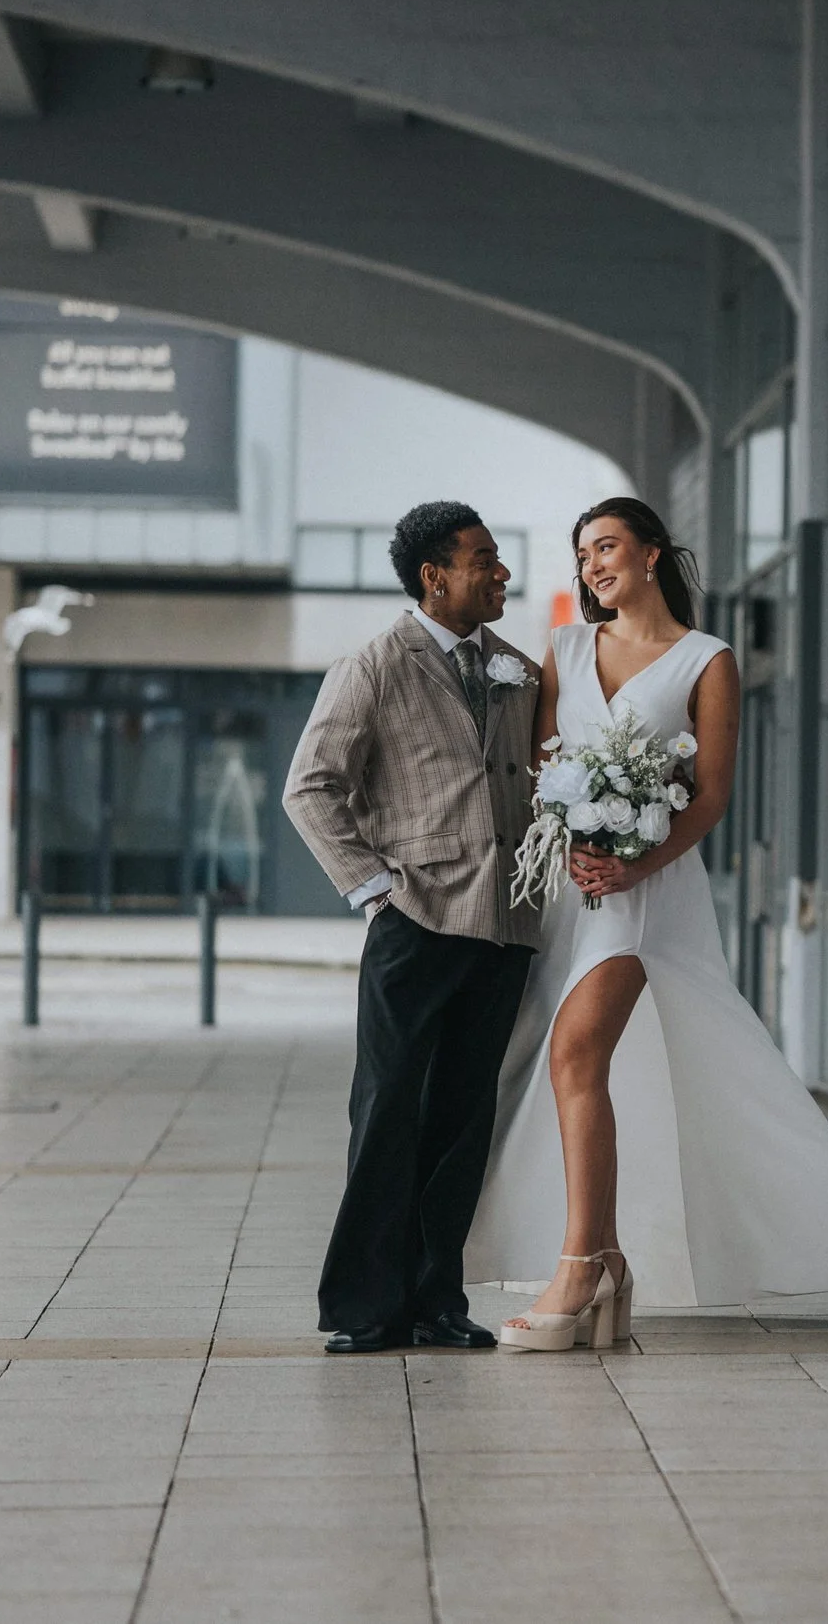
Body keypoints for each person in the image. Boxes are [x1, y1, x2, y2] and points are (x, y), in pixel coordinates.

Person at [465, 497, 828, 1348]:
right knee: (564, 1061)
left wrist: (634, 860)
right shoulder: (565, 649)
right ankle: (615, 1263)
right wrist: (573, 842)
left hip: (650, 895)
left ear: (653, 553)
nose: (593, 565)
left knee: (575, 1049)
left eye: (607, 546)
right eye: (583, 552)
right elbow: (543, 770)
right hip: (571, 892)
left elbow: (709, 799)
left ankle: (579, 1269)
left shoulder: (708, 660)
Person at [283, 501, 544, 1354]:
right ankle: (364, 1307)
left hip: (504, 926)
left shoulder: (518, 669)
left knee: (463, 1118)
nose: (501, 572)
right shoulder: (376, 664)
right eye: (484, 559)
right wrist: (372, 889)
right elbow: (311, 785)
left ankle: (438, 1299)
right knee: (388, 1111)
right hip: (416, 920)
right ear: (435, 576)